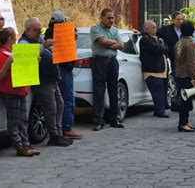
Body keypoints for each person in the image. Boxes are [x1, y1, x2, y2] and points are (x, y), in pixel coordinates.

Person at [18, 17, 71, 147]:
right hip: (41, 81)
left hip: (52, 79)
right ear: (28, 30)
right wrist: (44, 46)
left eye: (40, 30)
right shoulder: (24, 42)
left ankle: (58, 133)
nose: (39, 33)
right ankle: (53, 136)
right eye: (37, 30)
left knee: (60, 105)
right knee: (50, 109)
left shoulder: (38, 39)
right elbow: (26, 57)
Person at [0, 27, 40, 157]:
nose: (17, 39)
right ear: (10, 39)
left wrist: (34, 61)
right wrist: (8, 63)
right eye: (15, 37)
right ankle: (19, 147)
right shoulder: (1, 54)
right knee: (14, 121)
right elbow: (0, 76)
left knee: (23, 120)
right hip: (10, 91)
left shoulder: (15, 52)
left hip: (20, 90)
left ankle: (25, 144)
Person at [47, 10, 83, 140]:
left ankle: (62, 127)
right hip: (63, 68)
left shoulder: (50, 32)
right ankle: (66, 127)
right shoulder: (55, 33)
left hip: (62, 68)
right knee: (67, 99)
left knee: (62, 100)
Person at [90, 8, 125, 131]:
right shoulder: (95, 29)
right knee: (99, 91)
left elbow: (122, 45)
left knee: (113, 90)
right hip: (100, 61)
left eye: (113, 18)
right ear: (102, 17)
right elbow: (102, 42)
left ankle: (114, 119)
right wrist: (115, 43)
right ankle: (99, 121)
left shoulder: (115, 30)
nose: (111, 20)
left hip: (112, 62)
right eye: (109, 18)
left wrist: (111, 43)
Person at [139, 20, 170, 118]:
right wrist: (162, 46)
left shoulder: (157, 39)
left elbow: (166, 48)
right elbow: (158, 49)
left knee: (162, 91)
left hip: (161, 70)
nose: (155, 29)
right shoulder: (145, 39)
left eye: (156, 27)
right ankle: (160, 111)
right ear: (146, 28)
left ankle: (159, 110)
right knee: (158, 92)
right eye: (153, 27)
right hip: (152, 71)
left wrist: (162, 46)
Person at [174, 20, 195, 132]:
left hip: (179, 74)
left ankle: (185, 121)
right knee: (185, 100)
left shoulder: (178, 43)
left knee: (184, 99)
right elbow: (191, 62)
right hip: (187, 76)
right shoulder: (190, 44)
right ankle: (183, 123)